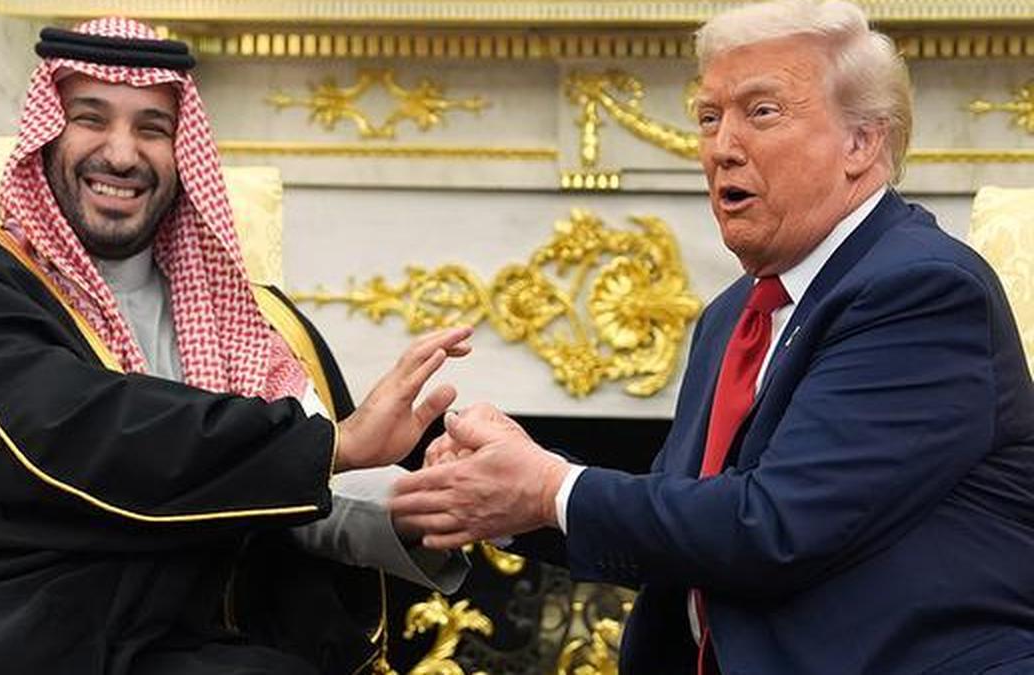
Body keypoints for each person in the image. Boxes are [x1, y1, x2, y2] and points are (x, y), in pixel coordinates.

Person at [391, 1, 1034, 674]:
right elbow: (688, 523)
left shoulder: (921, 290)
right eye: (708, 117)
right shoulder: (736, 313)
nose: (722, 146)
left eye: (762, 112)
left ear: (861, 143)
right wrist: (508, 491)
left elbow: (775, 527)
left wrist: (549, 487)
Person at [0, 17, 469, 675]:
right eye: (90, 118)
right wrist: (330, 446)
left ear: (181, 150)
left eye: (152, 128)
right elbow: (76, 432)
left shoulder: (248, 322)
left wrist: (427, 505)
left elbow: (291, 489)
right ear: (47, 134)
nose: (121, 153)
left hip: (170, 640)